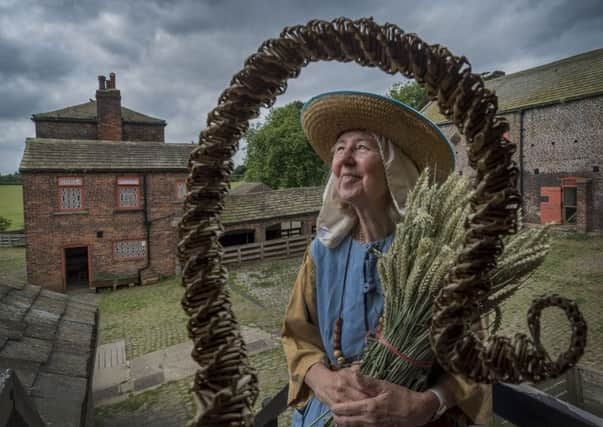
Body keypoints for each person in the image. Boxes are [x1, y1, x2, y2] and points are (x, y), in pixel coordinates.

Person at [282, 91, 492, 427]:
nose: (345, 159)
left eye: (361, 147)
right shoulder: (321, 255)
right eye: (340, 148)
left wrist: (427, 403)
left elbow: (475, 355)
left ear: (394, 167)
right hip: (331, 415)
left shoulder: (438, 256)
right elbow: (297, 334)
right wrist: (323, 381)